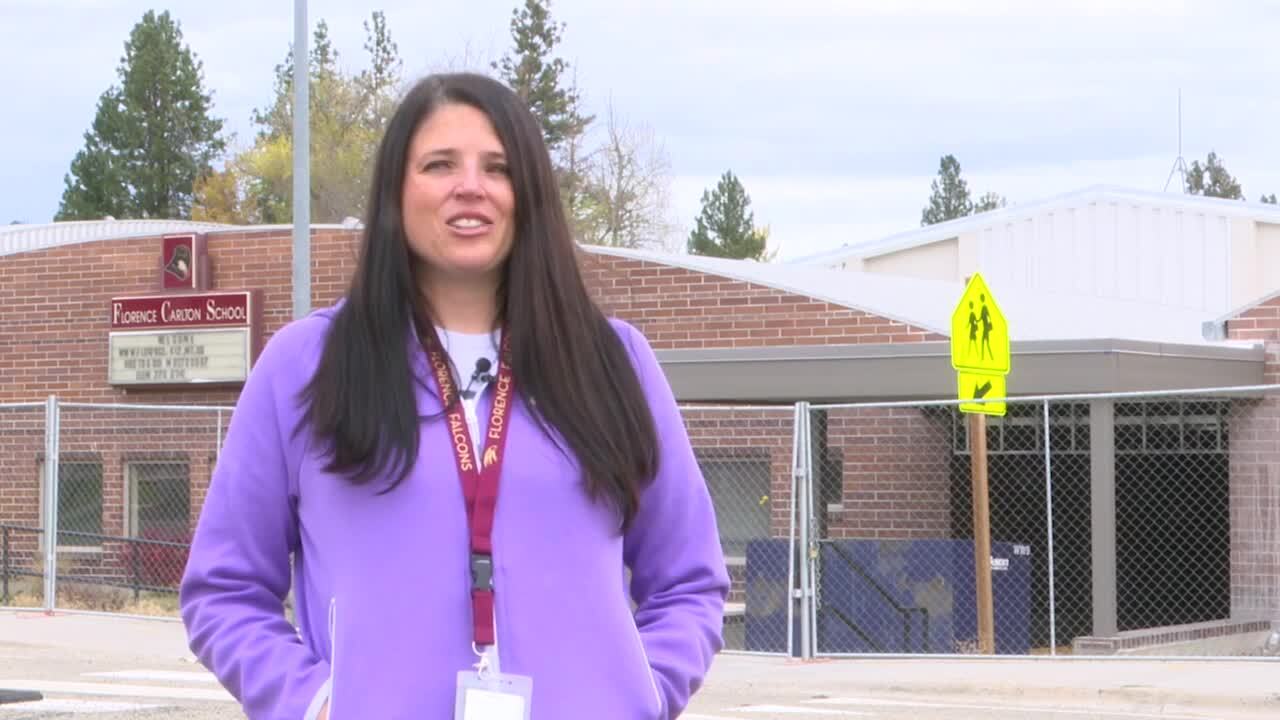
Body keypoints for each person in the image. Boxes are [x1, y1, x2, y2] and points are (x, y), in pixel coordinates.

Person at [179, 72, 729, 719]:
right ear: (395, 192)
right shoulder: (305, 366)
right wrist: (316, 703)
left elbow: (689, 581)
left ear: (529, 194)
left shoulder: (615, 362)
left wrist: (639, 693)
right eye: (440, 165)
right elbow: (224, 589)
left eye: (497, 168)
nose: (471, 186)